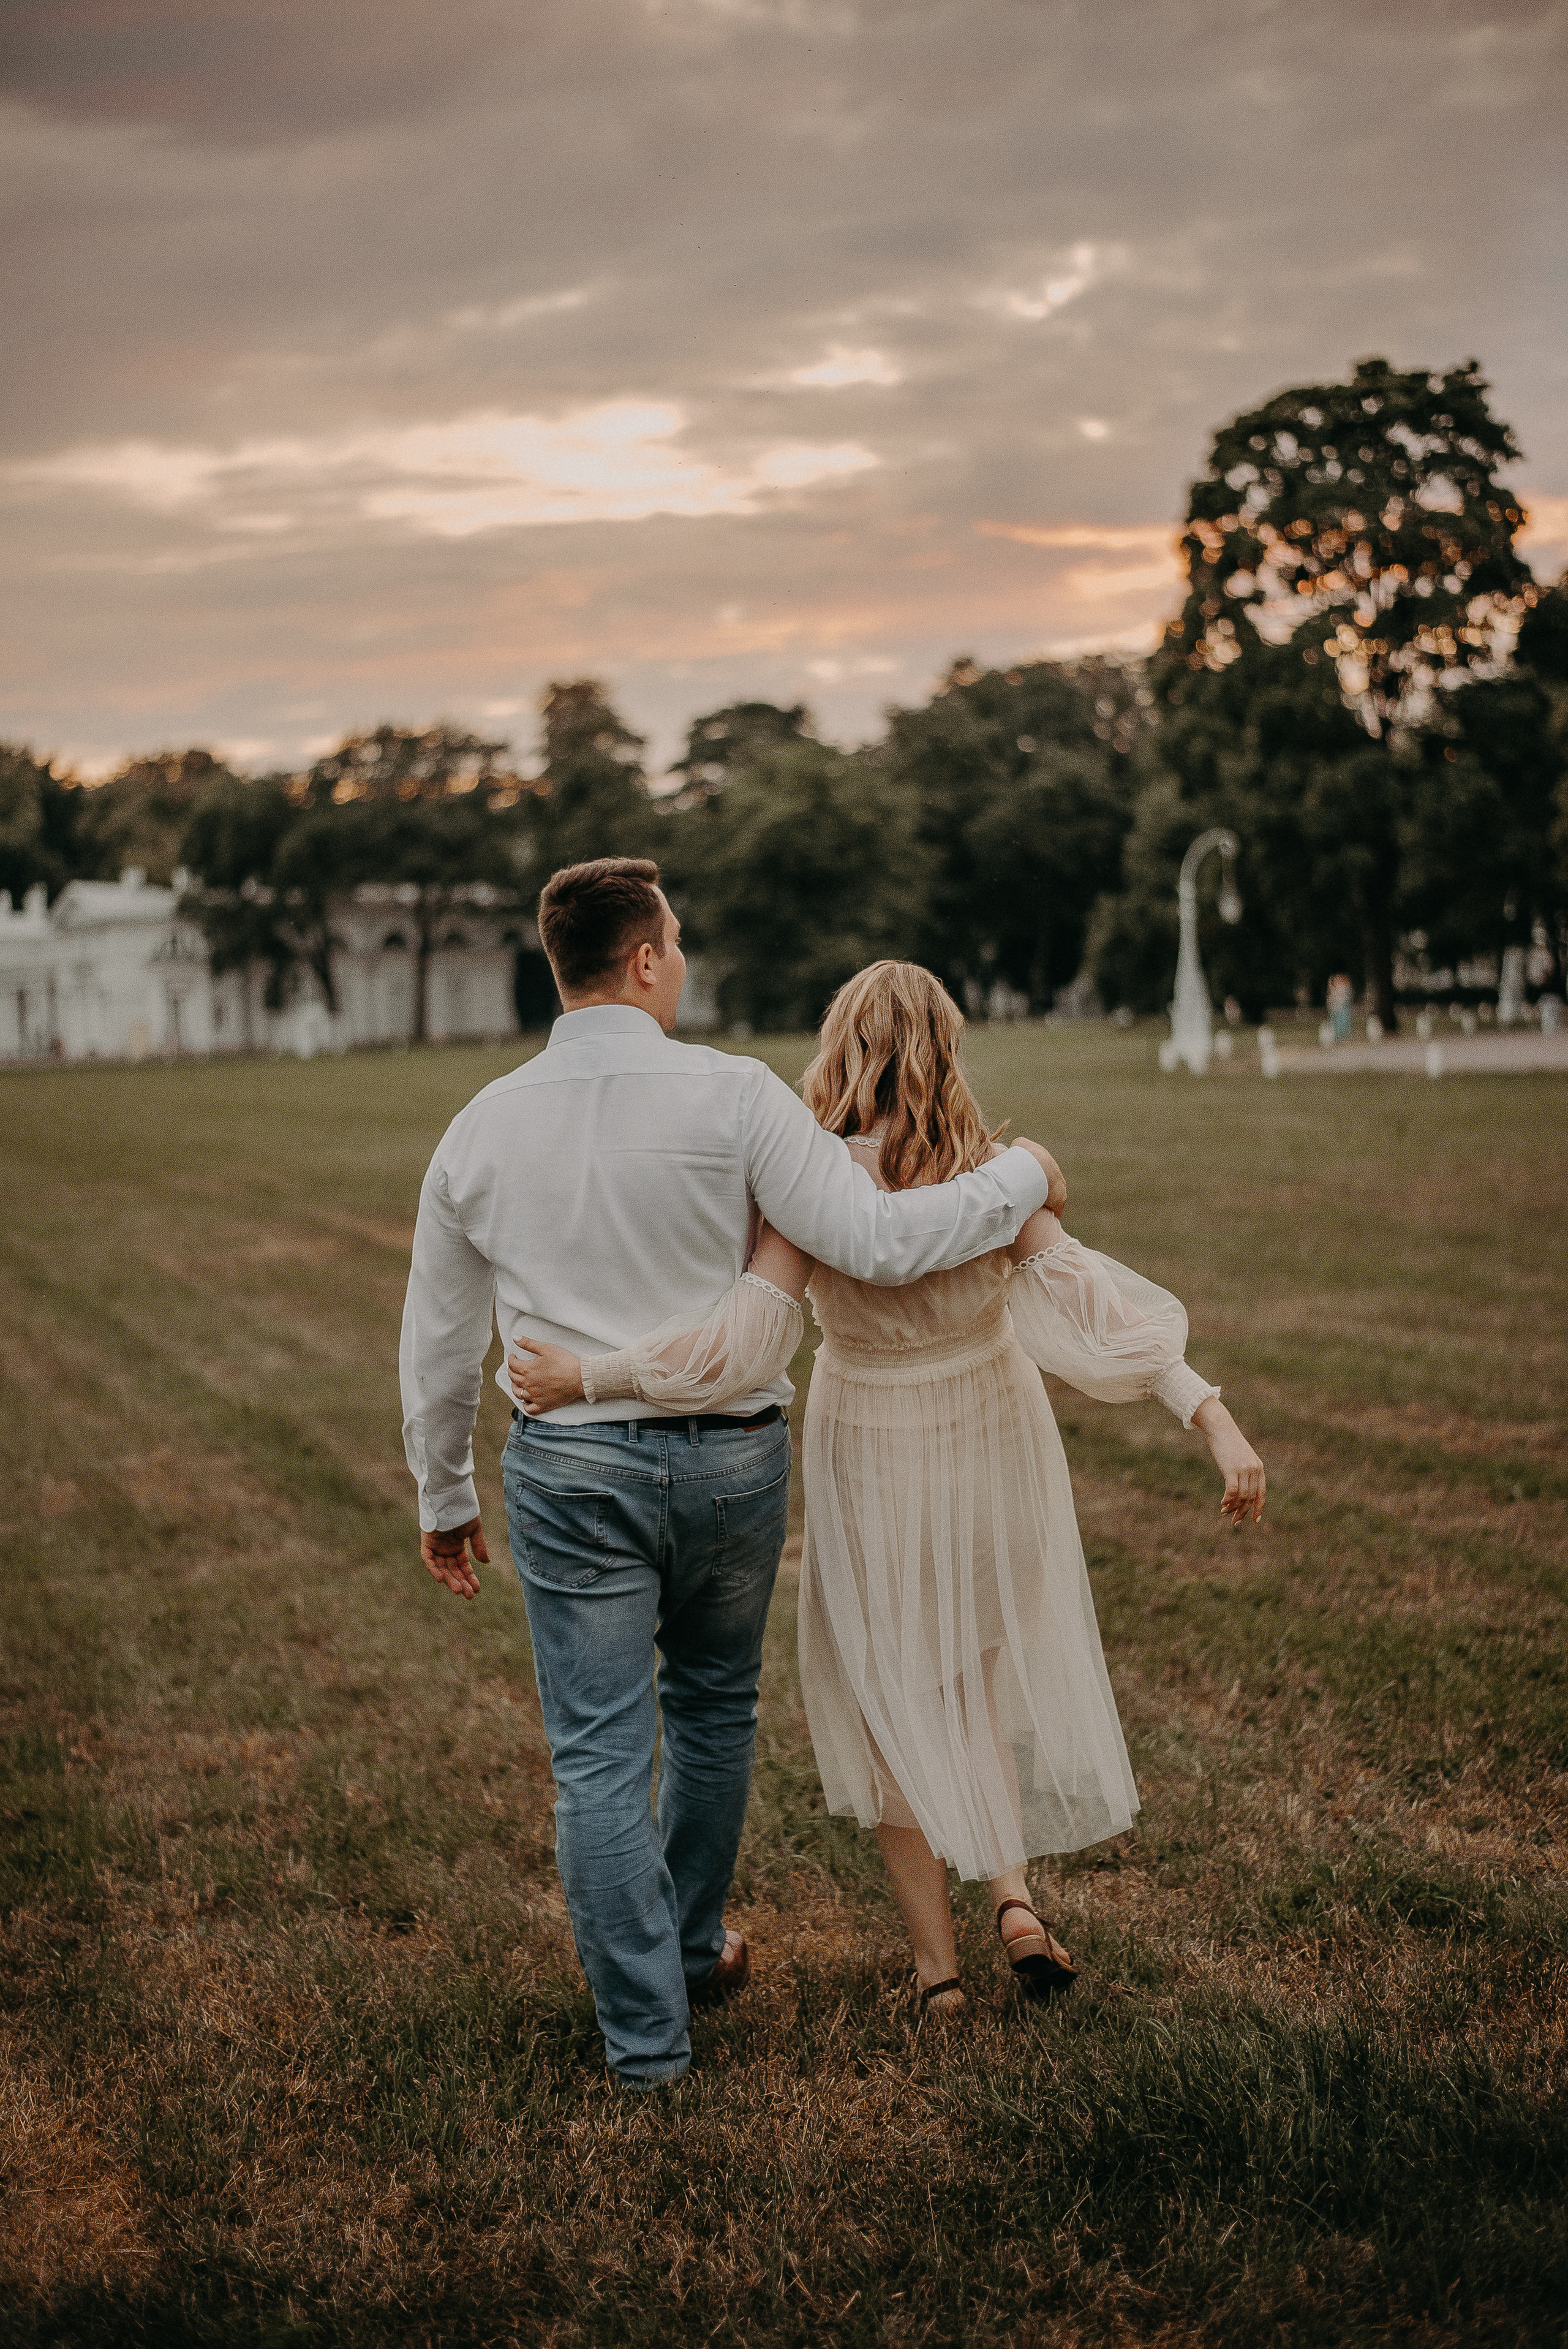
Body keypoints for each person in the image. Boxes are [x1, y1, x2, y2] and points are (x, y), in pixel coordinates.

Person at [399, 864, 1065, 2086]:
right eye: (679, 942)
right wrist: (1020, 1175)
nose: (684, 959)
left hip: (572, 1463)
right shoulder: (735, 1095)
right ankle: (692, 1948)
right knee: (710, 1714)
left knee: (597, 1757)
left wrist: (443, 1497)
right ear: (646, 958)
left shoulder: (481, 1123)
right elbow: (870, 1237)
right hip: (729, 1461)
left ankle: (649, 2040)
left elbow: (438, 1339)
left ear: (561, 965)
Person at [511, 960, 1265, 2016]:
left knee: (891, 1703)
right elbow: (1094, 1309)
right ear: (947, 1052)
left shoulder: (813, 1186)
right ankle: (1013, 1901)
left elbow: (744, 1340)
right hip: (995, 1437)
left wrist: (594, 1375)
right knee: (973, 1686)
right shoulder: (1000, 1173)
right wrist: (1213, 1416)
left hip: (874, 1444)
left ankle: (938, 1976)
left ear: (841, 1050)